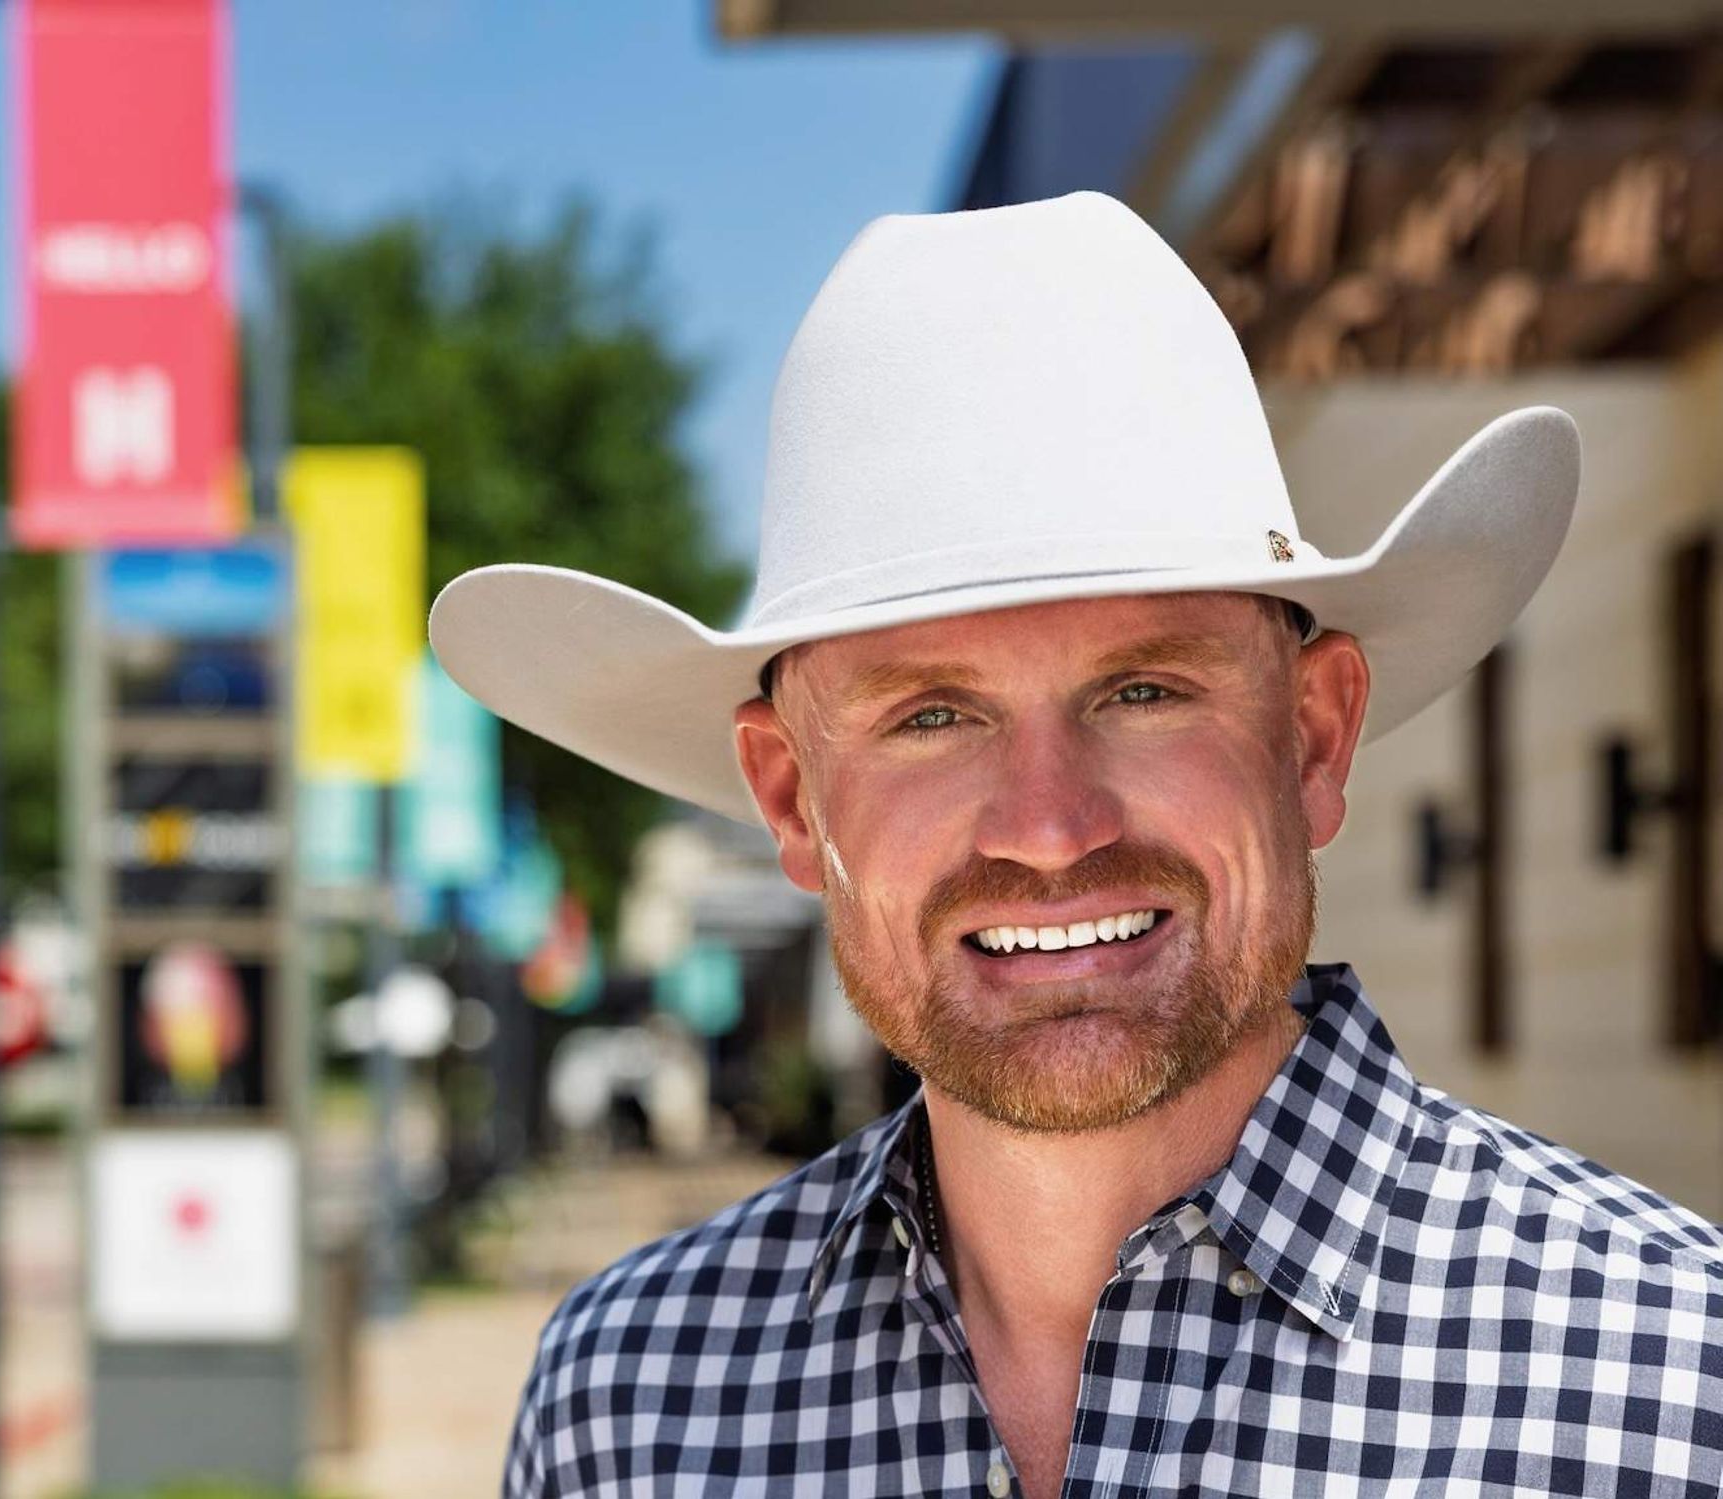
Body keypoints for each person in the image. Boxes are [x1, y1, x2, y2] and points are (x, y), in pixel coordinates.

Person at [430, 192, 1723, 1496]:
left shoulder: (1672, 1387)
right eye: (932, 716)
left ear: (1316, 740)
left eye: (1145, 691)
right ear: (789, 800)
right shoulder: (628, 1407)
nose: (1051, 830)